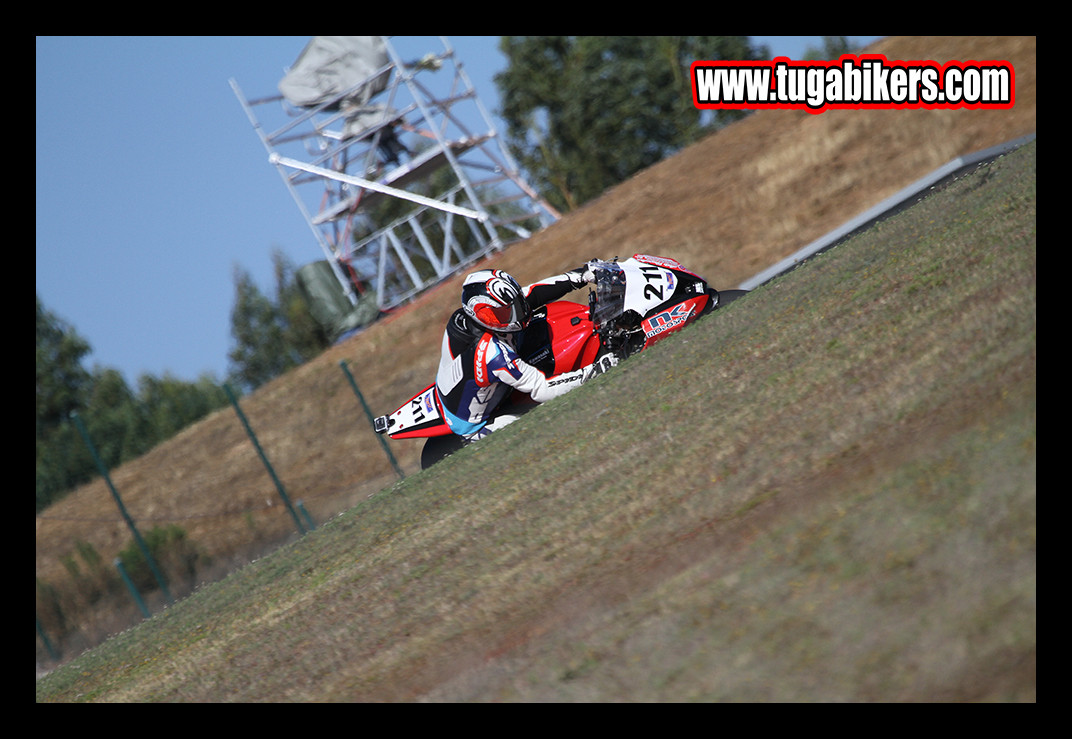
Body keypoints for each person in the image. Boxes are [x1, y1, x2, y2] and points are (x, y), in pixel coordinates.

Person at [434, 264, 618, 442]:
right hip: (475, 425)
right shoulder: (492, 354)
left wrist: (581, 276)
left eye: (515, 306)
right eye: (507, 312)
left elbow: (534, 292)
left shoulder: (471, 315)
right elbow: (541, 389)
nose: (517, 313)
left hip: (460, 383)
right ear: (484, 315)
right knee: (545, 422)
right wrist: (594, 371)